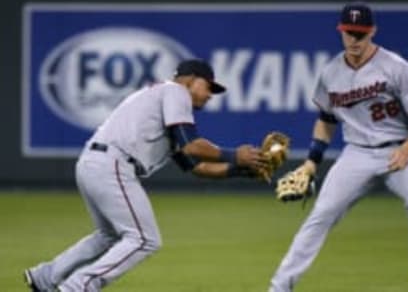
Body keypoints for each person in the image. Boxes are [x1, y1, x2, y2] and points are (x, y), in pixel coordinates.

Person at [24, 59, 267, 292]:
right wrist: (235, 155)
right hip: (113, 164)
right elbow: (193, 145)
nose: (210, 94)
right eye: (208, 86)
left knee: (109, 236)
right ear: (191, 79)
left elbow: (196, 166)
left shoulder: (162, 102)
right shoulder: (175, 92)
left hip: (94, 162)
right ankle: (81, 286)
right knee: (145, 239)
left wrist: (241, 170)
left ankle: (46, 276)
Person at [268, 2, 408, 292]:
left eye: (360, 33)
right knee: (321, 214)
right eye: (348, 33)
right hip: (356, 154)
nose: (354, 39)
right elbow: (326, 120)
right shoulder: (331, 72)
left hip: (397, 149)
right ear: (340, 31)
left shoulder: (396, 67)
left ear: (372, 31)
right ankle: (280, 286)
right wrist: (312, 161)